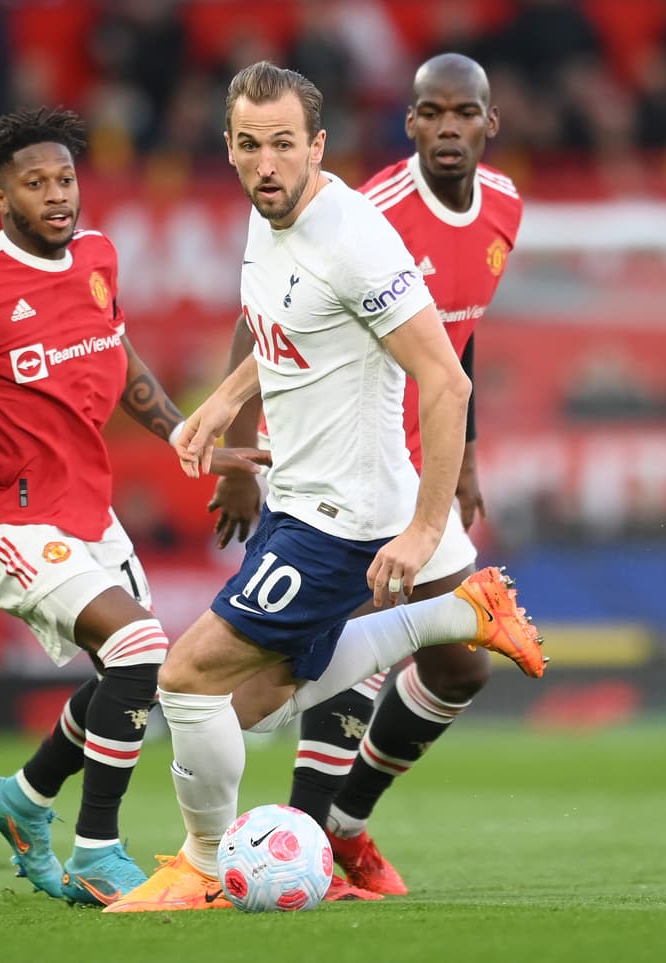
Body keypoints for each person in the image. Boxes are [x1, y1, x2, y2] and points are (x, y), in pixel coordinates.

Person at [103, 61, 544, 914]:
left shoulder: (354, 235)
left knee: (186, 677)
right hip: (297, 498)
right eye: (248, 146)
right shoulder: (268, 220)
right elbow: (277, 336)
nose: (265, 164)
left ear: (317, 147)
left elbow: (447, 382)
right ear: (228, 149)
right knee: (252, 705)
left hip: (344, 519)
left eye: (282, 146)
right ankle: (460, 614)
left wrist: (419, 533)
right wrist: (219, 407)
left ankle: (200, 870)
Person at [0, 106, 265, 907]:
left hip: (86, 508)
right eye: (33, 182)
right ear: (0, 197)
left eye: (65, 179)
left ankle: (23, 797)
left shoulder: (97, 256)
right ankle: (97, 849)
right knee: (142, 643)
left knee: (137, 669)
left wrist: (190, 432)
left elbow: (115, 357)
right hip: (1, 521)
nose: (56, 195)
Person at [210, 52, 524, 897]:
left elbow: (455, 341)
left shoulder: (504, 208)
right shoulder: (365, 212)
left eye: (466, 113)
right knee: (299, 666)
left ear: (490, 124)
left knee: (460, 663)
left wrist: (467, 457)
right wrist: (239, 451)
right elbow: (263, 320)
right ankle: (295, 837)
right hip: (345, 463)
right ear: (410, 122)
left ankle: (341, 825)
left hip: (424, 459)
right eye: (432, 112)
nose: (449, 127)